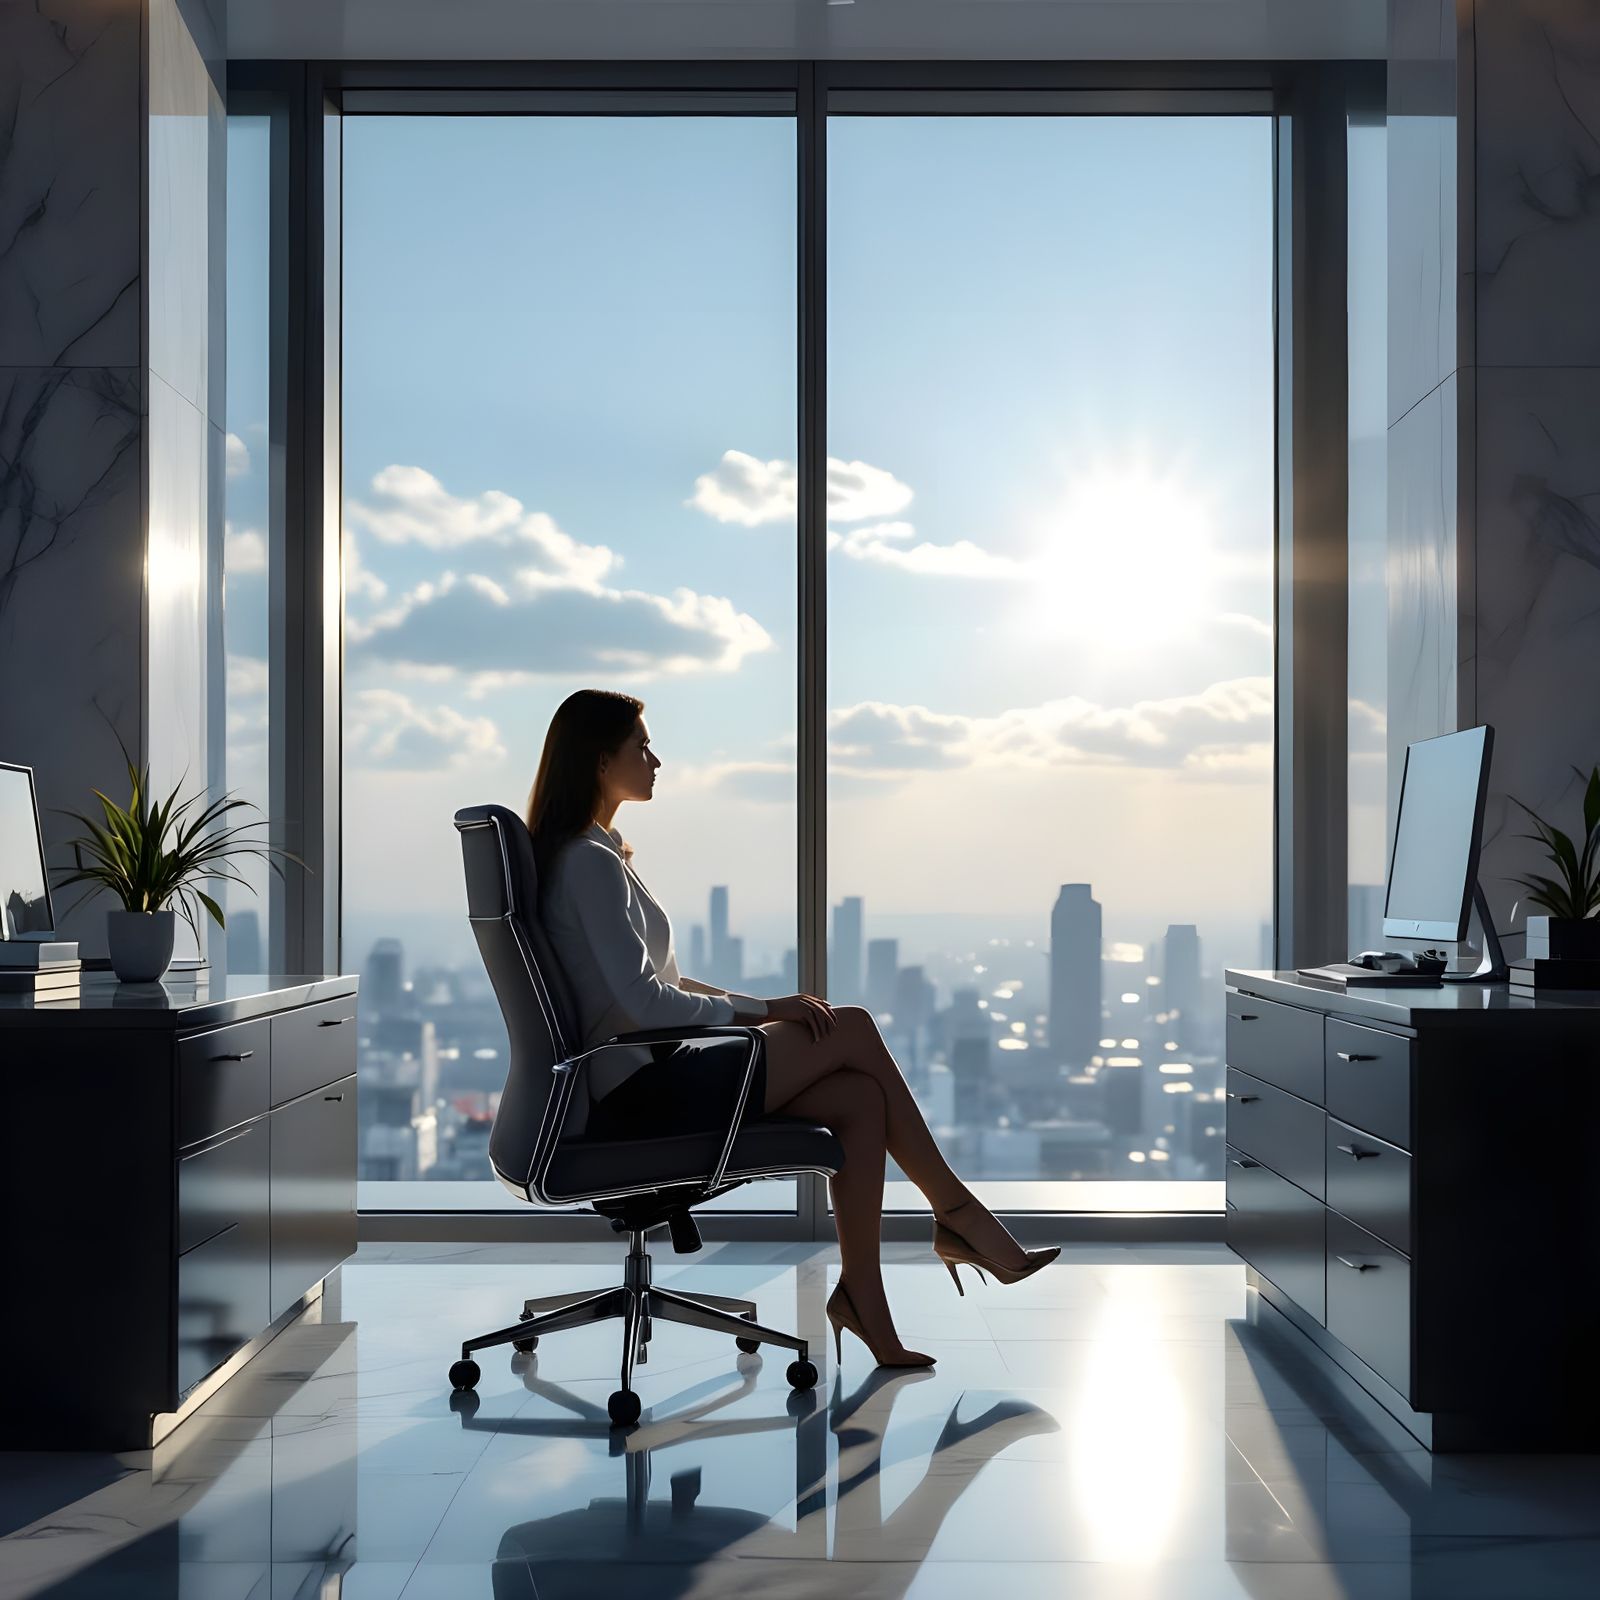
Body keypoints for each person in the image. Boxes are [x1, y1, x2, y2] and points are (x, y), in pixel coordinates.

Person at [529, 688, 1057, 1369]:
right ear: (602, 761)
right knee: (852, 1026)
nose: (656, 761)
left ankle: (865, 1301)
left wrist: (761, 1004)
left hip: (652, 1075)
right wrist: (764, 1010)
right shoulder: (588, 863)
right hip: (641, 1094)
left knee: (860, 1100)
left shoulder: (600, 855)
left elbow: (660, 984)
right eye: (642, 747)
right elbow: (644, 1004)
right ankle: (957, 1214)